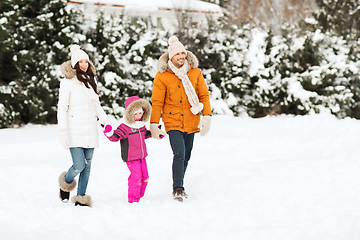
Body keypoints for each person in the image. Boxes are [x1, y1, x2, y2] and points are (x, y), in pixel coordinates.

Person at [150, 36, 212, 202]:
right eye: (178, 54)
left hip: (192, 120)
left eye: (183, 53)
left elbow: (203, 96)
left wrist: (207, 116)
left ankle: (179, 181)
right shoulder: (162, 76)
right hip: (173, 121)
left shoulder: (195, 72)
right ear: (171, 57)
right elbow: (157, 102)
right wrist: (154, 124)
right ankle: (178, 188)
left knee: (187, 155)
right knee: (179, 153)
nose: (181, 56)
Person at [57, 45, 110, 207]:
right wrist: (63, 131)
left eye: (86, 61)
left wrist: (105, 121)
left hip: (90, 130)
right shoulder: (67, 83)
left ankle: (80, 197)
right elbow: (62, 108)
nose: (84, 64)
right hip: (74, 130)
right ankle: (66, 182)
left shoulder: (91, 81)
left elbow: (97, 106)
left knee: (87, 167)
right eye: (80, 61)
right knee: (79, 165)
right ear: (74, 63)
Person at [103, 96, 155, 203]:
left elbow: (144, 135)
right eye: (135, 114)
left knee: (145, 177)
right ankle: (133, 199)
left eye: (140, 113)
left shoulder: (141, 125)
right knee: (136, 178)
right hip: (131, 157)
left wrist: (156, 133)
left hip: (142, 156)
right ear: (129, 114)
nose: (137, 116)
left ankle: (139, 195)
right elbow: (115, 137)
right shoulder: (125, 127)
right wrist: (109, 132)